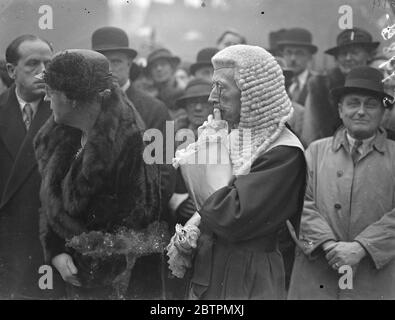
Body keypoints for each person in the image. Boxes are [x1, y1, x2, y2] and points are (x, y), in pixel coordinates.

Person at [34, 49, 164, 299]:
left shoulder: (132, 142)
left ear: (73, 98)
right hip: (71, 276)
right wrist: (56, 252)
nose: (47, 100)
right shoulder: (62, 133)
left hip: (109, 285)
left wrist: (87, 271)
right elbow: (49, 201)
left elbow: (136, 225)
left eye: (51, 92)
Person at [183, 45, 307, 299]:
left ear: (251, 93)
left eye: (220, 87)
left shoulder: (284, 151)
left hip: (250, 278)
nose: (211, 98)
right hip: (211, 271)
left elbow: (230, 216)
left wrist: (209, 153)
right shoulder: (233, 136)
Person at [288, 66, 395, 300]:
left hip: (375, 278)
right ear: (340, 109)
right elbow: (297, 203)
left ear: (383, 112)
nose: (361, 111)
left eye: (371, 104)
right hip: (317, 274)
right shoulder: (315, 151)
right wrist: (328, 245)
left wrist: (361, 247)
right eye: (353, 103)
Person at [0, 34, 65, 299]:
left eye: (49, 65)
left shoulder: (69, 115)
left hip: (50, 246)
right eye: (32, 64)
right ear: (11, 70)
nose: (43, 72)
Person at [302, 27, 379, 146]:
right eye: (343, 54)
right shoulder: (320, 86)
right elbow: (311, 132)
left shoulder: (382, 84)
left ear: (369, 56)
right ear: (336, 59)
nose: (348, 58)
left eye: (354, 52)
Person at [146, 47, 188, 133]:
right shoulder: (148, 99)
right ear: (150, 72)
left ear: (172, 68)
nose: (159, 69)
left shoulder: (187, 94)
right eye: (154, 66)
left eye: (163, 64)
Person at [277, 28, 318, 106]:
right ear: (283, 55)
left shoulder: (318, 83)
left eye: (299, 53)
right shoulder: (276, 83)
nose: (293, 58)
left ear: (309, 57)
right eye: (288, 52)